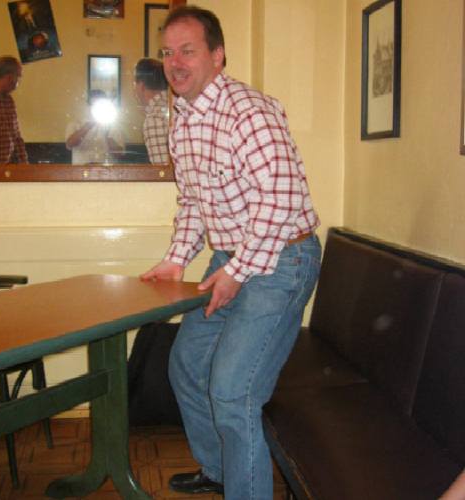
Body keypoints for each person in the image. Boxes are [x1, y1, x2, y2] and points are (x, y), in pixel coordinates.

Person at [140, 6, 321, 499]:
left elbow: (280, 198)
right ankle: (222, 470)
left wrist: (238, 271)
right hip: (231, 259)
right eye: (167, 52)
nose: (175, 63)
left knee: (233, 390)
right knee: (185, 365)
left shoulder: (249, 112)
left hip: (283, 260)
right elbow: (193, 203)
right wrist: (177, 258)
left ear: (217, 56)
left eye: (188, 50)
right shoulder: (182, 123)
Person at [0, 56, 28, 164]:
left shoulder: (8, 101)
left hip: (3, 170)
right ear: (10, 78)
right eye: (19, 77)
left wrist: (25, 167)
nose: (18, 83)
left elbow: (16, 138)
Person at [65, 89, 124, 164]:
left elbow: (119, 155)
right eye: (93, 104)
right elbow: (70, 144)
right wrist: (87, 126)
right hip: (80, 170)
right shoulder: (75, 124)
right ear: (87, 105)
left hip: (107, 170)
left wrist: (107, 134)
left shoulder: (114, 127)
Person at [133, 58, 169, 164]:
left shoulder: (155, 119)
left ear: (141, 86)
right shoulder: (173, 106)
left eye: (134, 83)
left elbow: (163, 170)